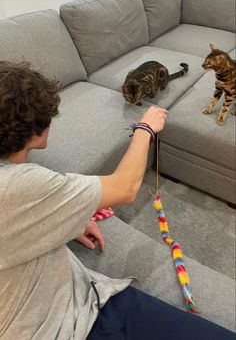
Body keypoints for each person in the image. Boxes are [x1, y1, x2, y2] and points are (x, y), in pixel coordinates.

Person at [0, 60, 234, 340]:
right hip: (70, 325)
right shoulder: (20, 185)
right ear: (37, 126)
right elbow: (125, 188)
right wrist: (144, 129)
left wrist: (55, 217)